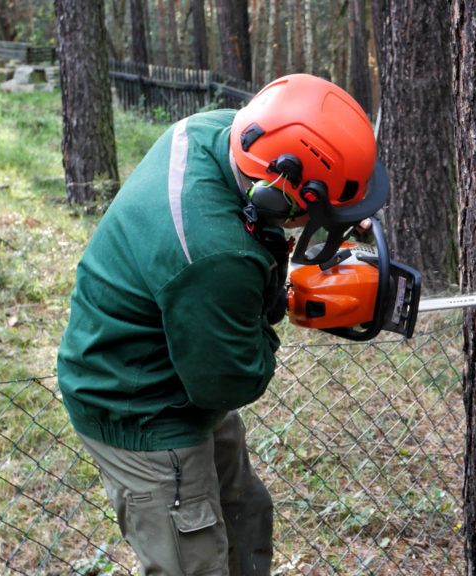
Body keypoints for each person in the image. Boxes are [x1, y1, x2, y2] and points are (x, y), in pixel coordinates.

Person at [56, 73, 387, 576]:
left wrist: (322, 226)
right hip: (139, 404)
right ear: (281, 193)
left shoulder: (218, 132)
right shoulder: (217, 256)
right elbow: (229, 379)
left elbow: (239, 250)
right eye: (324, 207)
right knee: (195, 560)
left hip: (182, 360)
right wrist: (287, 306)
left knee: (243, 516)